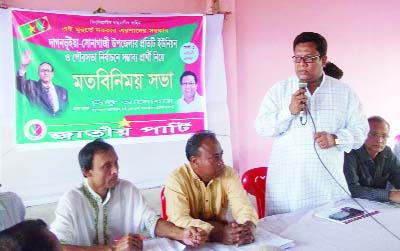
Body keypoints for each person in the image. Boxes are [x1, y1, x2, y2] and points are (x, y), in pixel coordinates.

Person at [255, 32, 368, 215]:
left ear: (323, 60)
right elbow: (262, 128)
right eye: (297, 58)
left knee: (332, 237)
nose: (302, 64)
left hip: (327, 187)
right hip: (288, 187)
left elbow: (361, 130)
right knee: (291, 239)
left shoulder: (344, 92)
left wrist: (336, 139)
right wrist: (288, 112)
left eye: (309, 58)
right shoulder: (279, 90)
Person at [50, 139, 207, 251]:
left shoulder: (126, 189)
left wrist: (182, 233)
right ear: (86, 172)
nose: (115, 170)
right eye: (106, 166)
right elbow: (58, 247)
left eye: (116, 163)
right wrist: (112, 249)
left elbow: (151, 221)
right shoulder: (71, 200)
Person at [165, 130, 258, 246]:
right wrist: (217, 233)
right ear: (195, 162)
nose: (221, 162)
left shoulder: (228, 174)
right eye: (215, 158)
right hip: (189, 242)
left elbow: (243, 206)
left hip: (220, 235)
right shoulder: (177, 178)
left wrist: (246, 227)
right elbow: (178, 219)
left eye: (221, 155)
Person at [343, 116, 400, 203]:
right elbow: (353, 190)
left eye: (384, 136)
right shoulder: (350, 152)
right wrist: (389, 195)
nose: (380, 140)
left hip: (378, 206)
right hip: (351, 205)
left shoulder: (387, 152)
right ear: (362, 134)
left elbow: (397, 176)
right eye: (373, 135)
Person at [16, 50, 68, 117]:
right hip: (40, 124)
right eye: (43, 71)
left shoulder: (63, 91)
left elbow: (65, 110)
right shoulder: (31, 86)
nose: (46, 73)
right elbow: (20, 84)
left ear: (52, 74)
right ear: (38, 74)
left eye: (48, 71)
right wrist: (23, 66)